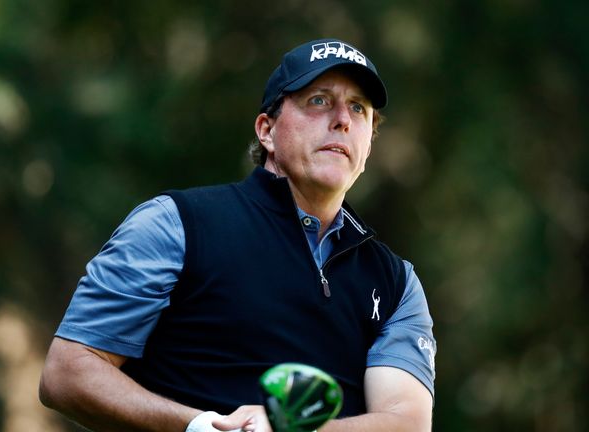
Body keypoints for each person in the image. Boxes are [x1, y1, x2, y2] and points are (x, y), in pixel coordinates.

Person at [39, 38, 437, 432]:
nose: (343, 120)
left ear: (367, 147)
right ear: (267, 130)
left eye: (358, 109)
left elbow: (406, 423)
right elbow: (68, 372)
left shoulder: (396, 282)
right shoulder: (177, 224)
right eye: (319, 100)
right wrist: (198, 426)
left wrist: (291, 431)